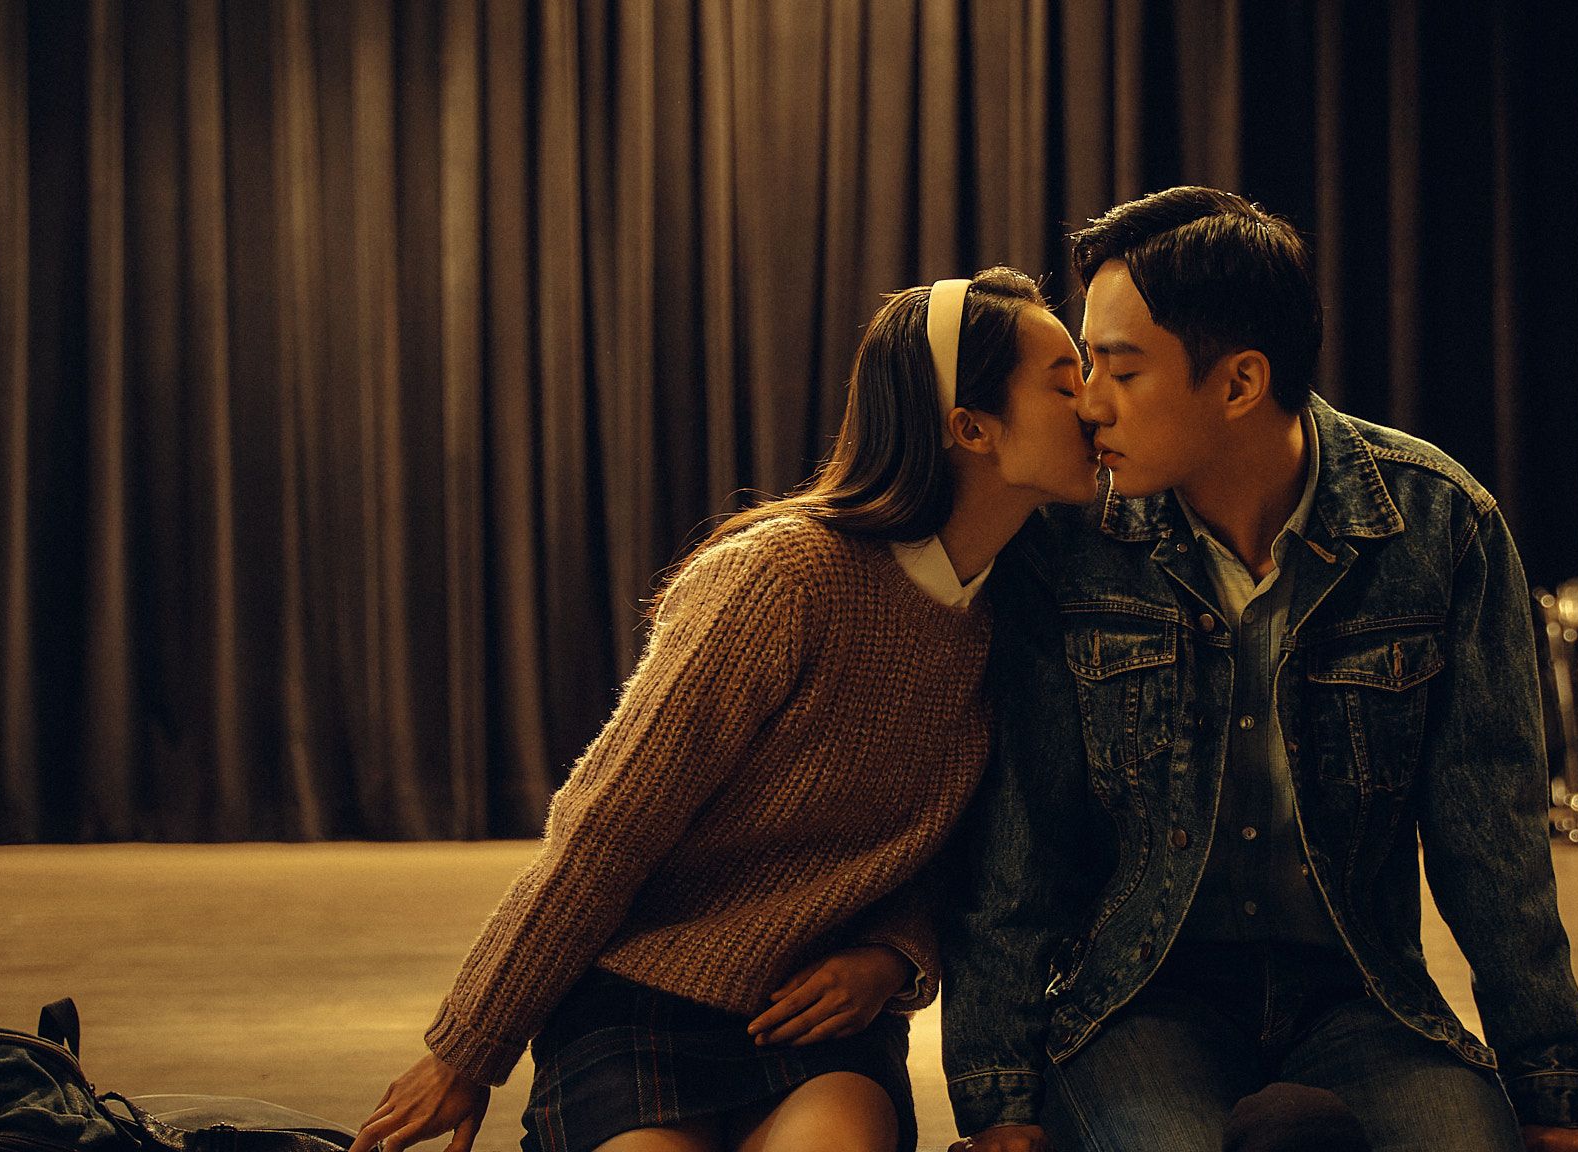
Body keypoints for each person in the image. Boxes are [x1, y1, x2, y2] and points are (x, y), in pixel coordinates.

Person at [349, 266, 1097, 1152]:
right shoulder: (781, 579)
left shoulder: (1020, 609)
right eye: (1065, 384)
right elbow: (605, 831)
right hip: (640, 999)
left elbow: (965, 850)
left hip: (813, 1018)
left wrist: (889, 957)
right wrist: (469, 1050)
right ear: (970, 428)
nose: (1095, 405)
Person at [939, 189, 1578, 1152]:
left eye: (1121, 371)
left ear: (1240, 383)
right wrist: (999, 1099)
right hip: (1141, 995)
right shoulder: (1071, 544)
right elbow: (1021, 841)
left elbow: (1494, 842)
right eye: (1087, 364)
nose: (1088, 402)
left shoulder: (1437, 525)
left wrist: (1554, 1094)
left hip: (1362, 990)